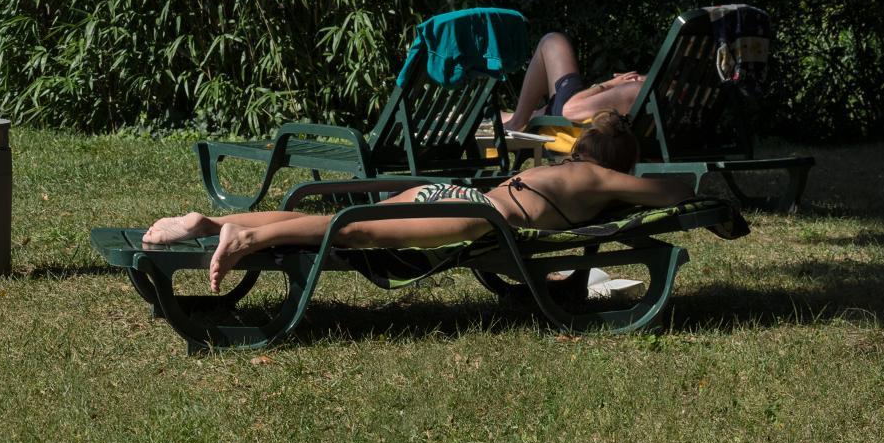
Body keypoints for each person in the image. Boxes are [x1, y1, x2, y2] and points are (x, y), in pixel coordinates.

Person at [142, 112, 694, 290]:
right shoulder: (599, 178)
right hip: (473, 216)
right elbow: (669, 191)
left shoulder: (564, 167)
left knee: (338, 218)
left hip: (452, 193)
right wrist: (697, 189)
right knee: (353, 232)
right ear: (615, 160)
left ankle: (210, 221)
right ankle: (248, 237)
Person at [503, 30, 643, 132]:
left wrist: (610, 85)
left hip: (569, 120)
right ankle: (515, 118)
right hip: (574, 109)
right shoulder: (652, 89)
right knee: (552, 41)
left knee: (552, 42)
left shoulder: (637, 91)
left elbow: (568, 110)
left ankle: (516, 122)